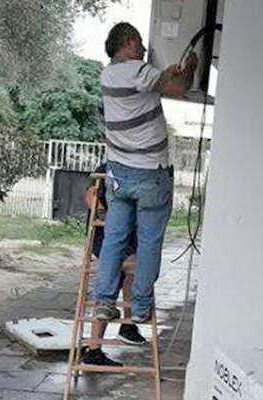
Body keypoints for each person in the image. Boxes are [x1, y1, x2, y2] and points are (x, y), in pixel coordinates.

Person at [90, 21, 198, 358]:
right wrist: (189, 66)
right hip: (150, 175)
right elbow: (177, 86)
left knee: (114, 241)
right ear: (130, 42)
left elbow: (163, 84)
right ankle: (139, 309)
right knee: (149, 242)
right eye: (139, 44)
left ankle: (104, 302)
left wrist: (168, 73)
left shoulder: (108, 76)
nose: (142, 49)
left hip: (119, 176)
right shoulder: (139, 71)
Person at [82, 164, 145, 366]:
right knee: (115, 277)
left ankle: (127, 326)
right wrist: (102, 212)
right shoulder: (109, 168)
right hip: (109, 237)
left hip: (127, 236)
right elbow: (92, 194)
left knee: (131, 273)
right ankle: (94, 349)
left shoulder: (140, 169)